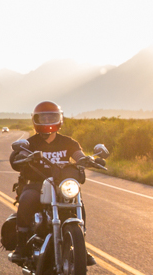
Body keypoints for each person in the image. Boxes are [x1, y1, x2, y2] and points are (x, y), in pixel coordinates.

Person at [8, 100, 95, 265]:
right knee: (26, 200)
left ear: (59, 119)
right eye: (43, 118)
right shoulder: (30, 144)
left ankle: (80, 245)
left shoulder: (68, 142)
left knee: (79, 203)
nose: (47, 122)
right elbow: (16, 158)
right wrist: (20, 157)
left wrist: (86, 160)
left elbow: (78, 155)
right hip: (36, 184)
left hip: (61, 185)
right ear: (36, 120)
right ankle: (21, 245)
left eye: (51, 118)